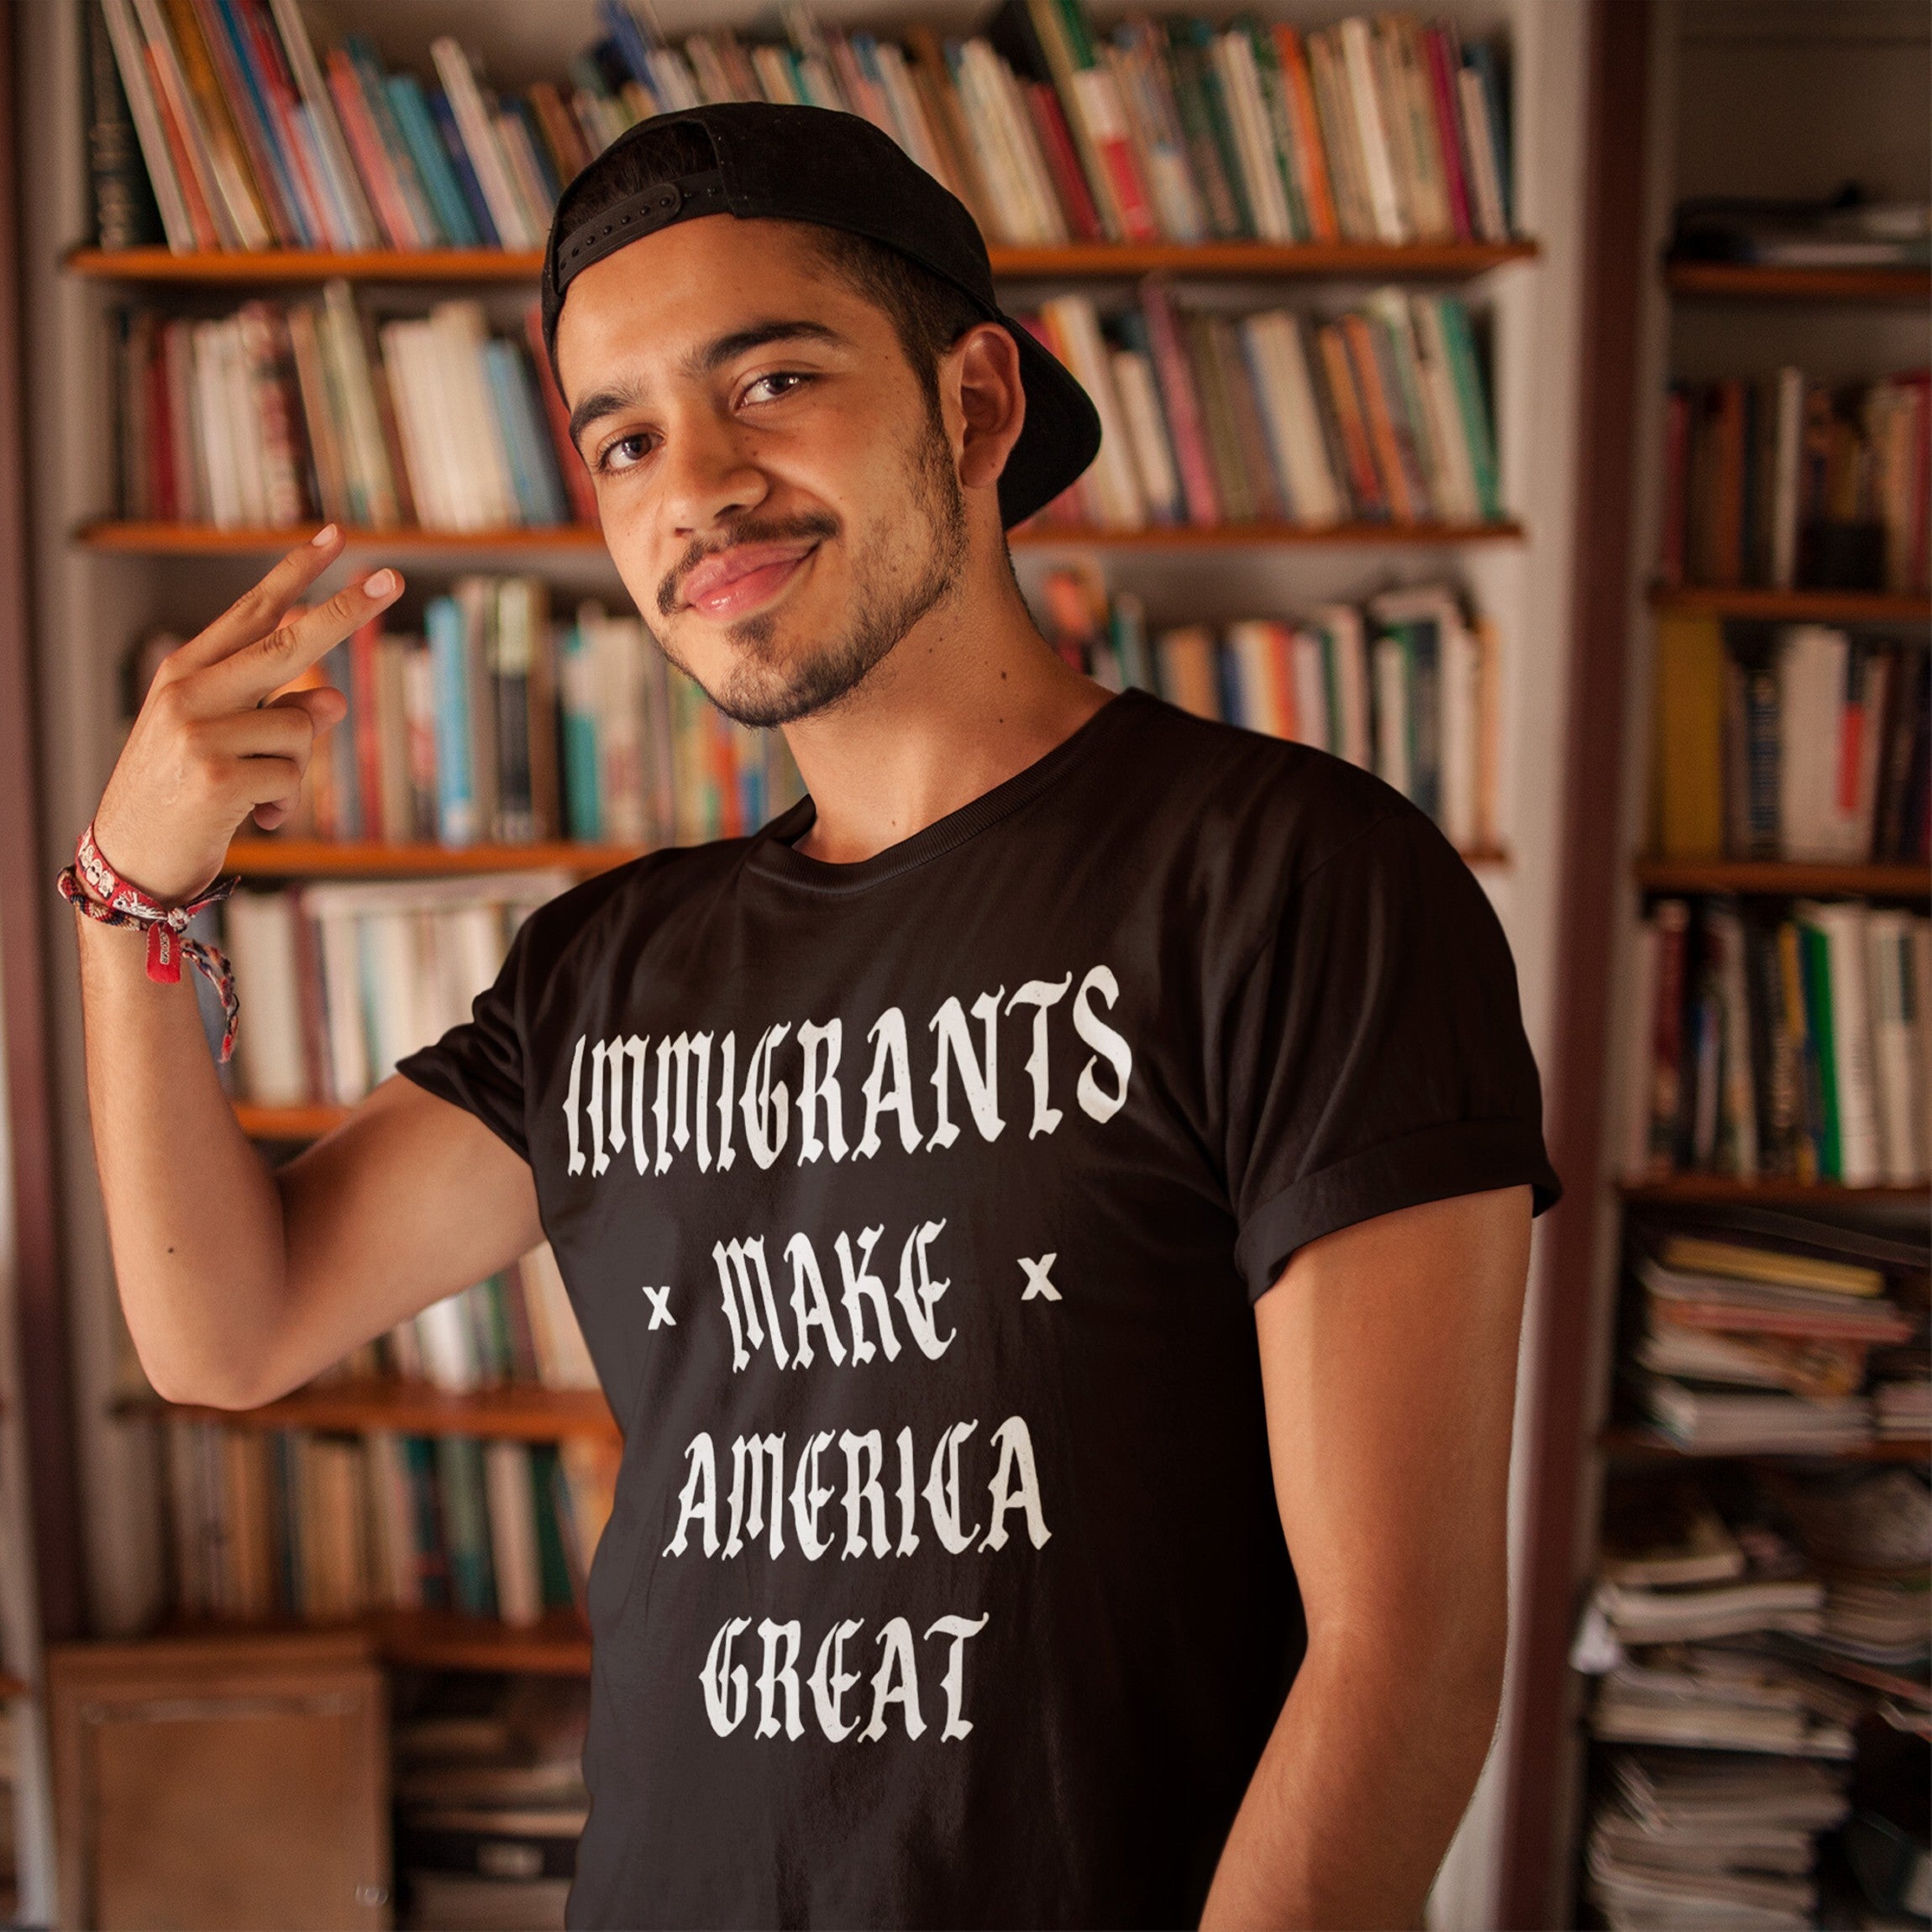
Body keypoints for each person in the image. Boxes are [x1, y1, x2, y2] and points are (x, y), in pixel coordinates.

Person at [73, 102, 1559, 1930]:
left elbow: (1401, 1650)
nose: (692, 484)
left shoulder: (1291, 878)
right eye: (622, 440)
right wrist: (131, 887)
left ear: (976, 408)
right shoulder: (606, 967)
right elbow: (230, 1328)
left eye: (769, 381)